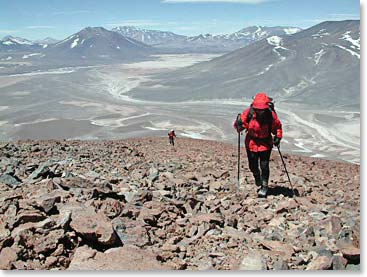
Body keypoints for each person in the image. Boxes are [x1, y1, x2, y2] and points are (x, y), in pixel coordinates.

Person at [234, 92, 283, 197]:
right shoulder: (249, 113)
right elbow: (239, 127)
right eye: (258, 109)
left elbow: (277, 127)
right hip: (251, 143)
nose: (260, 111)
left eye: (262, 109)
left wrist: (278, 137)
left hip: (265, 144)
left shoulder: (271, 115)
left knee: (264, 165)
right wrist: (238, 124)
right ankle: (257, 176)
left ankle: (264, 186)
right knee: (252, 165)